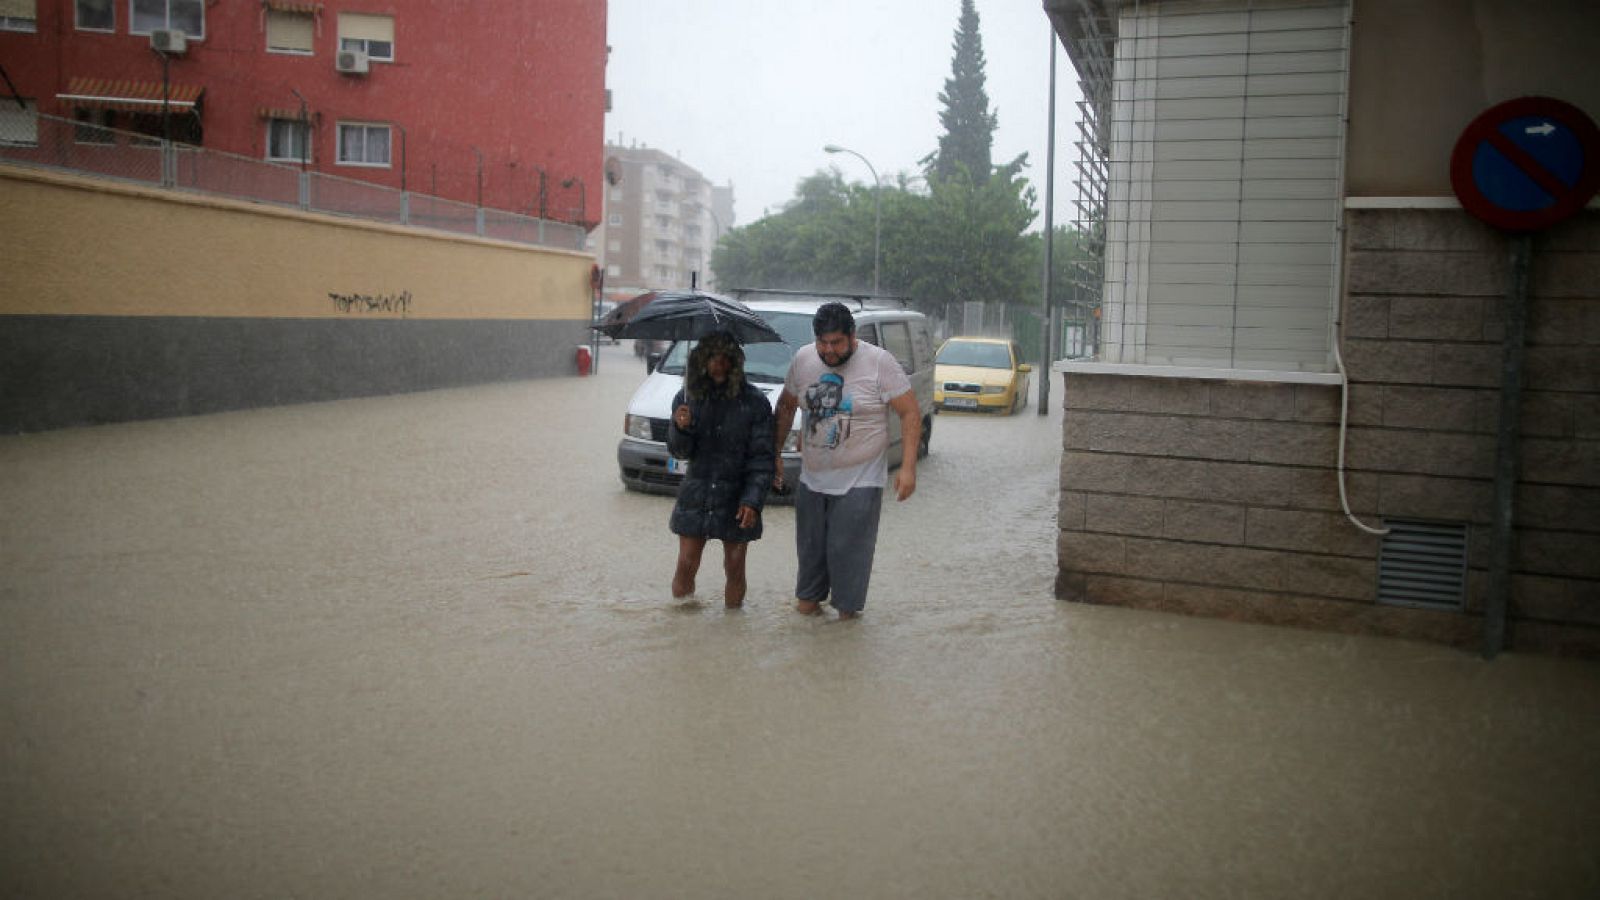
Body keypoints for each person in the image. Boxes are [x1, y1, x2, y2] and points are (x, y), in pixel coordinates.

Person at [772, 302, 919, 620]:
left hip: (860, 481)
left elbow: (909, 412)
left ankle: (846, 635)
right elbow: (785, 407)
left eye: (837, 343)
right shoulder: (803, 360)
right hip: (812, 479)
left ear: (852, 336)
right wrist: (775, 455)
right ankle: (814, 643)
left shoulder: (879, 362)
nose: (829, 351)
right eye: (823, 343)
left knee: (847, 579)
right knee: (808, 582)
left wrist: (908, 469)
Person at [666, 330, 775, 609]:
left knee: (735, 566)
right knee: (686, 563)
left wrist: (753, 501)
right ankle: (679, 621)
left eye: (725, 358)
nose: (718, 364)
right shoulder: (687, 398)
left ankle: (733, 621)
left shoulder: (755, 403)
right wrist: (681, 428)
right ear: (700, 360)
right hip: (697, 492)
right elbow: (679, 452)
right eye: (712, 357)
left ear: (735, 361)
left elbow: (762, 459)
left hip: (737, 495)